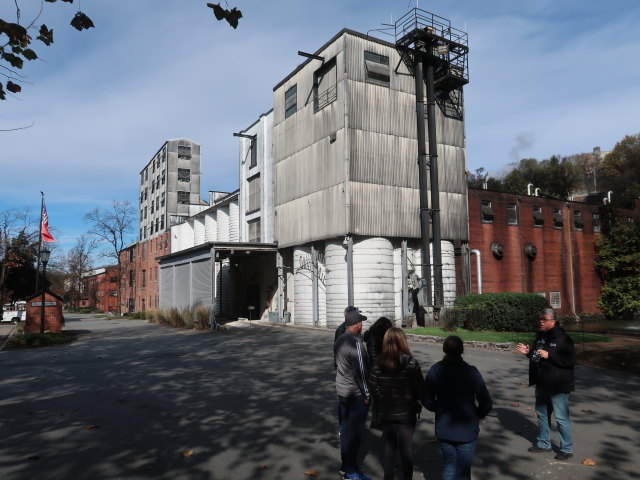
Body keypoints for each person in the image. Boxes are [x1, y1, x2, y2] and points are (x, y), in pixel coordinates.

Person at [422, 335, 493, 480]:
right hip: (467, 429)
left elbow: (426, 398)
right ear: (461, 350)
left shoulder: (436, 370)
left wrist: (438, 408)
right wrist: (477, 414)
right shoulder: (471, 372)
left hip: (444, 427)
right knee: (463, 472)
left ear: (444, 350)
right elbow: (486, 402)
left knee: (449, 466)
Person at [516, 308, 576, 461]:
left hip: (558, 385)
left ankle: (566, 448)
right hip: (542, 383)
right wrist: (528, 353)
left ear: (553, 321)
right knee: (542, 414)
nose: (540, 322)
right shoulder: (541, 336)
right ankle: (544, 443)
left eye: (544, 320)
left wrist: (550, 355)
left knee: (561, 418)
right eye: (540, 319)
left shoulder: (563, 338)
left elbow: (570, 361)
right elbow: (537, 356)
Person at [369, 327, 424, 480]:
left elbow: (373, 386)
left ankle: (389, 477)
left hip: (387, 411)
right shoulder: (411, 363)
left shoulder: (378, 363)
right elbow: (420, 388)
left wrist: (382, 399)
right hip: (407, 412)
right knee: (406, 448)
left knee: (389, 448)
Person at [334, 309, 372, 480]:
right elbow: (362, 373)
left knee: (347, 430)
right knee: (355, 433)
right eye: (361, 322)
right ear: (357, 325)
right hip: (355, 394)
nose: (362, 325)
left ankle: (347, 464)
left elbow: (337, 365)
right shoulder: (356, 344)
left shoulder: (340, 339)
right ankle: (350, 472)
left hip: (342, 391)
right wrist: (367, 395)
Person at [363, 316, 393, 429]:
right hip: (374, 370)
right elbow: (373, 356)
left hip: (378, 369)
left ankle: (379, 419)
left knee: (379, 397)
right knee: (376, 397)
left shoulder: (375, 336)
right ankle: (376, 421)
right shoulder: (373, 338)